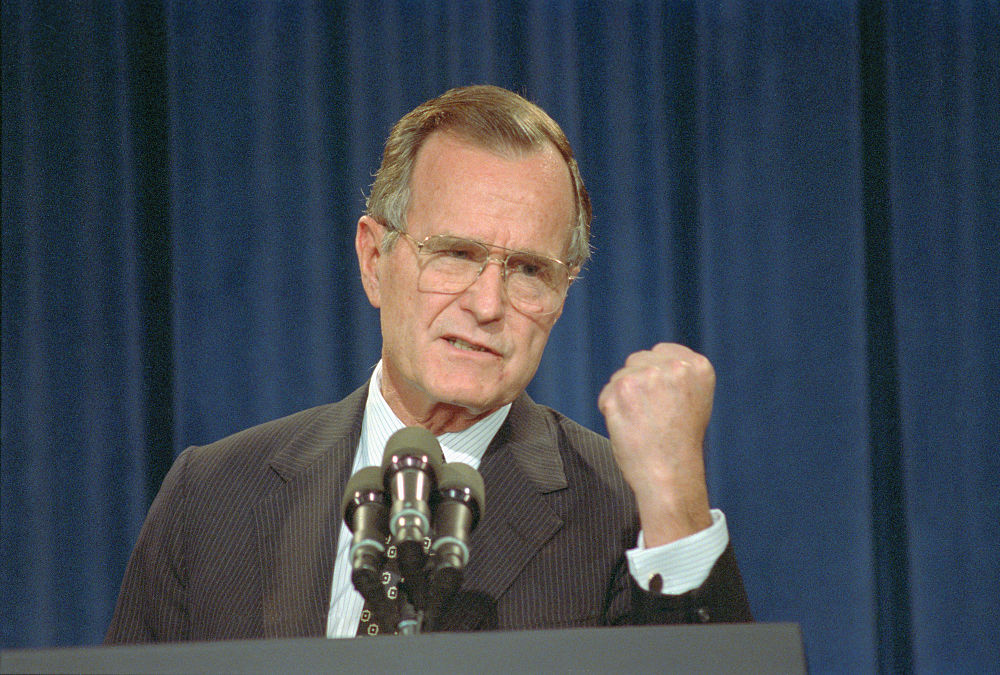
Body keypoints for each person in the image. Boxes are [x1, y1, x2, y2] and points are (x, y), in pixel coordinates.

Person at [106, 85, 752, 642]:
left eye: (529, 270)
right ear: (374, 259)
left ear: (562, 294)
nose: (488, 304)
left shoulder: (624, 510)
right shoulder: (211, 496)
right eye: (455, 254)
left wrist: (674, 506)